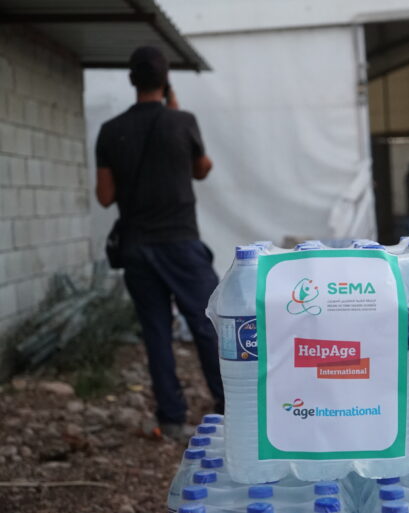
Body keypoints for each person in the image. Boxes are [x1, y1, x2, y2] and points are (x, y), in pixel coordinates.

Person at [95, 46, 223, 439]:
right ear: (165, 81)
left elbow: (104, 196)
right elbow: (202, 170)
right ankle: (230, 405)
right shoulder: (182, 121)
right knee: (209, 323)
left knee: (156, 332)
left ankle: (171, 418)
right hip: (181, 243)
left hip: (136, 246)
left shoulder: (110, 131)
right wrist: (175, 109)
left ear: (131, 80)